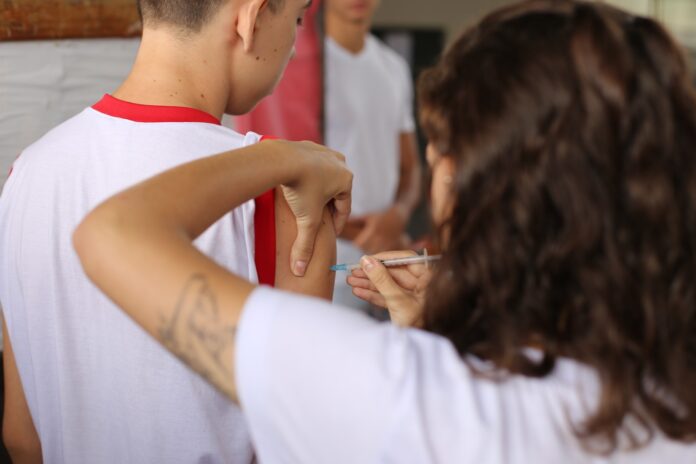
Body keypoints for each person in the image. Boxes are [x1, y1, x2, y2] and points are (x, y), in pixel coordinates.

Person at [74, 0, 696, 462]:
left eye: (439, 155)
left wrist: (283, 156)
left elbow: (112, 232)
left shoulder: (401, 397)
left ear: (473, 186)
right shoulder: (672, 397)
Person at [0, 0, 335, 462]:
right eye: (296, 19)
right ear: (252, 18)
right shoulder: (290, 190)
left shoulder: (26, 174)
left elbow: (21, 436)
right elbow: (302, 442)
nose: (295, 47)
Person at [324, 0, 422, 309]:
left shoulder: (393, 67)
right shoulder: (303, 65)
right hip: (332, 264)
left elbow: (411, 167)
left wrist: (398, 216)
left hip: (391, 263)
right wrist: (365, 234)